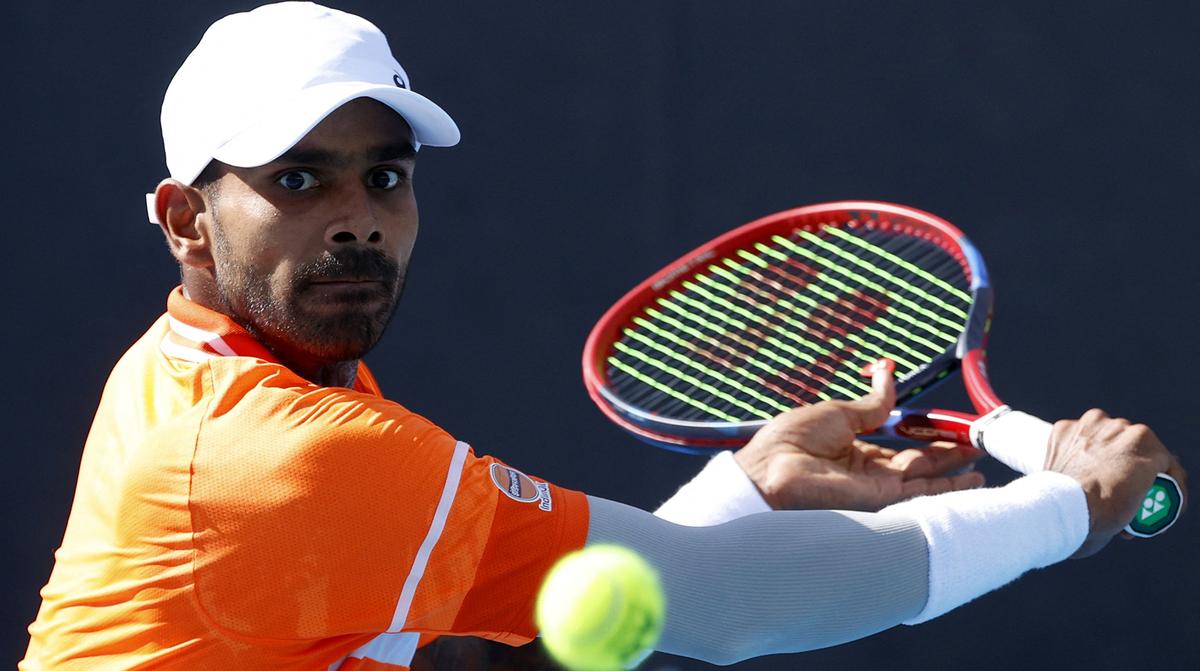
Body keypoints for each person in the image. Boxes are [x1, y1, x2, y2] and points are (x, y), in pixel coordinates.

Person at [21, 3, 1186, 670]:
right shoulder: (274, 451)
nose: (358, 220)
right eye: (297, 179)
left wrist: (749, 486)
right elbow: (725, 608)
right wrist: (1064, 512)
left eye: (384, 175)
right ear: (184, 218)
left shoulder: (200, 376)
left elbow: (510, 649)